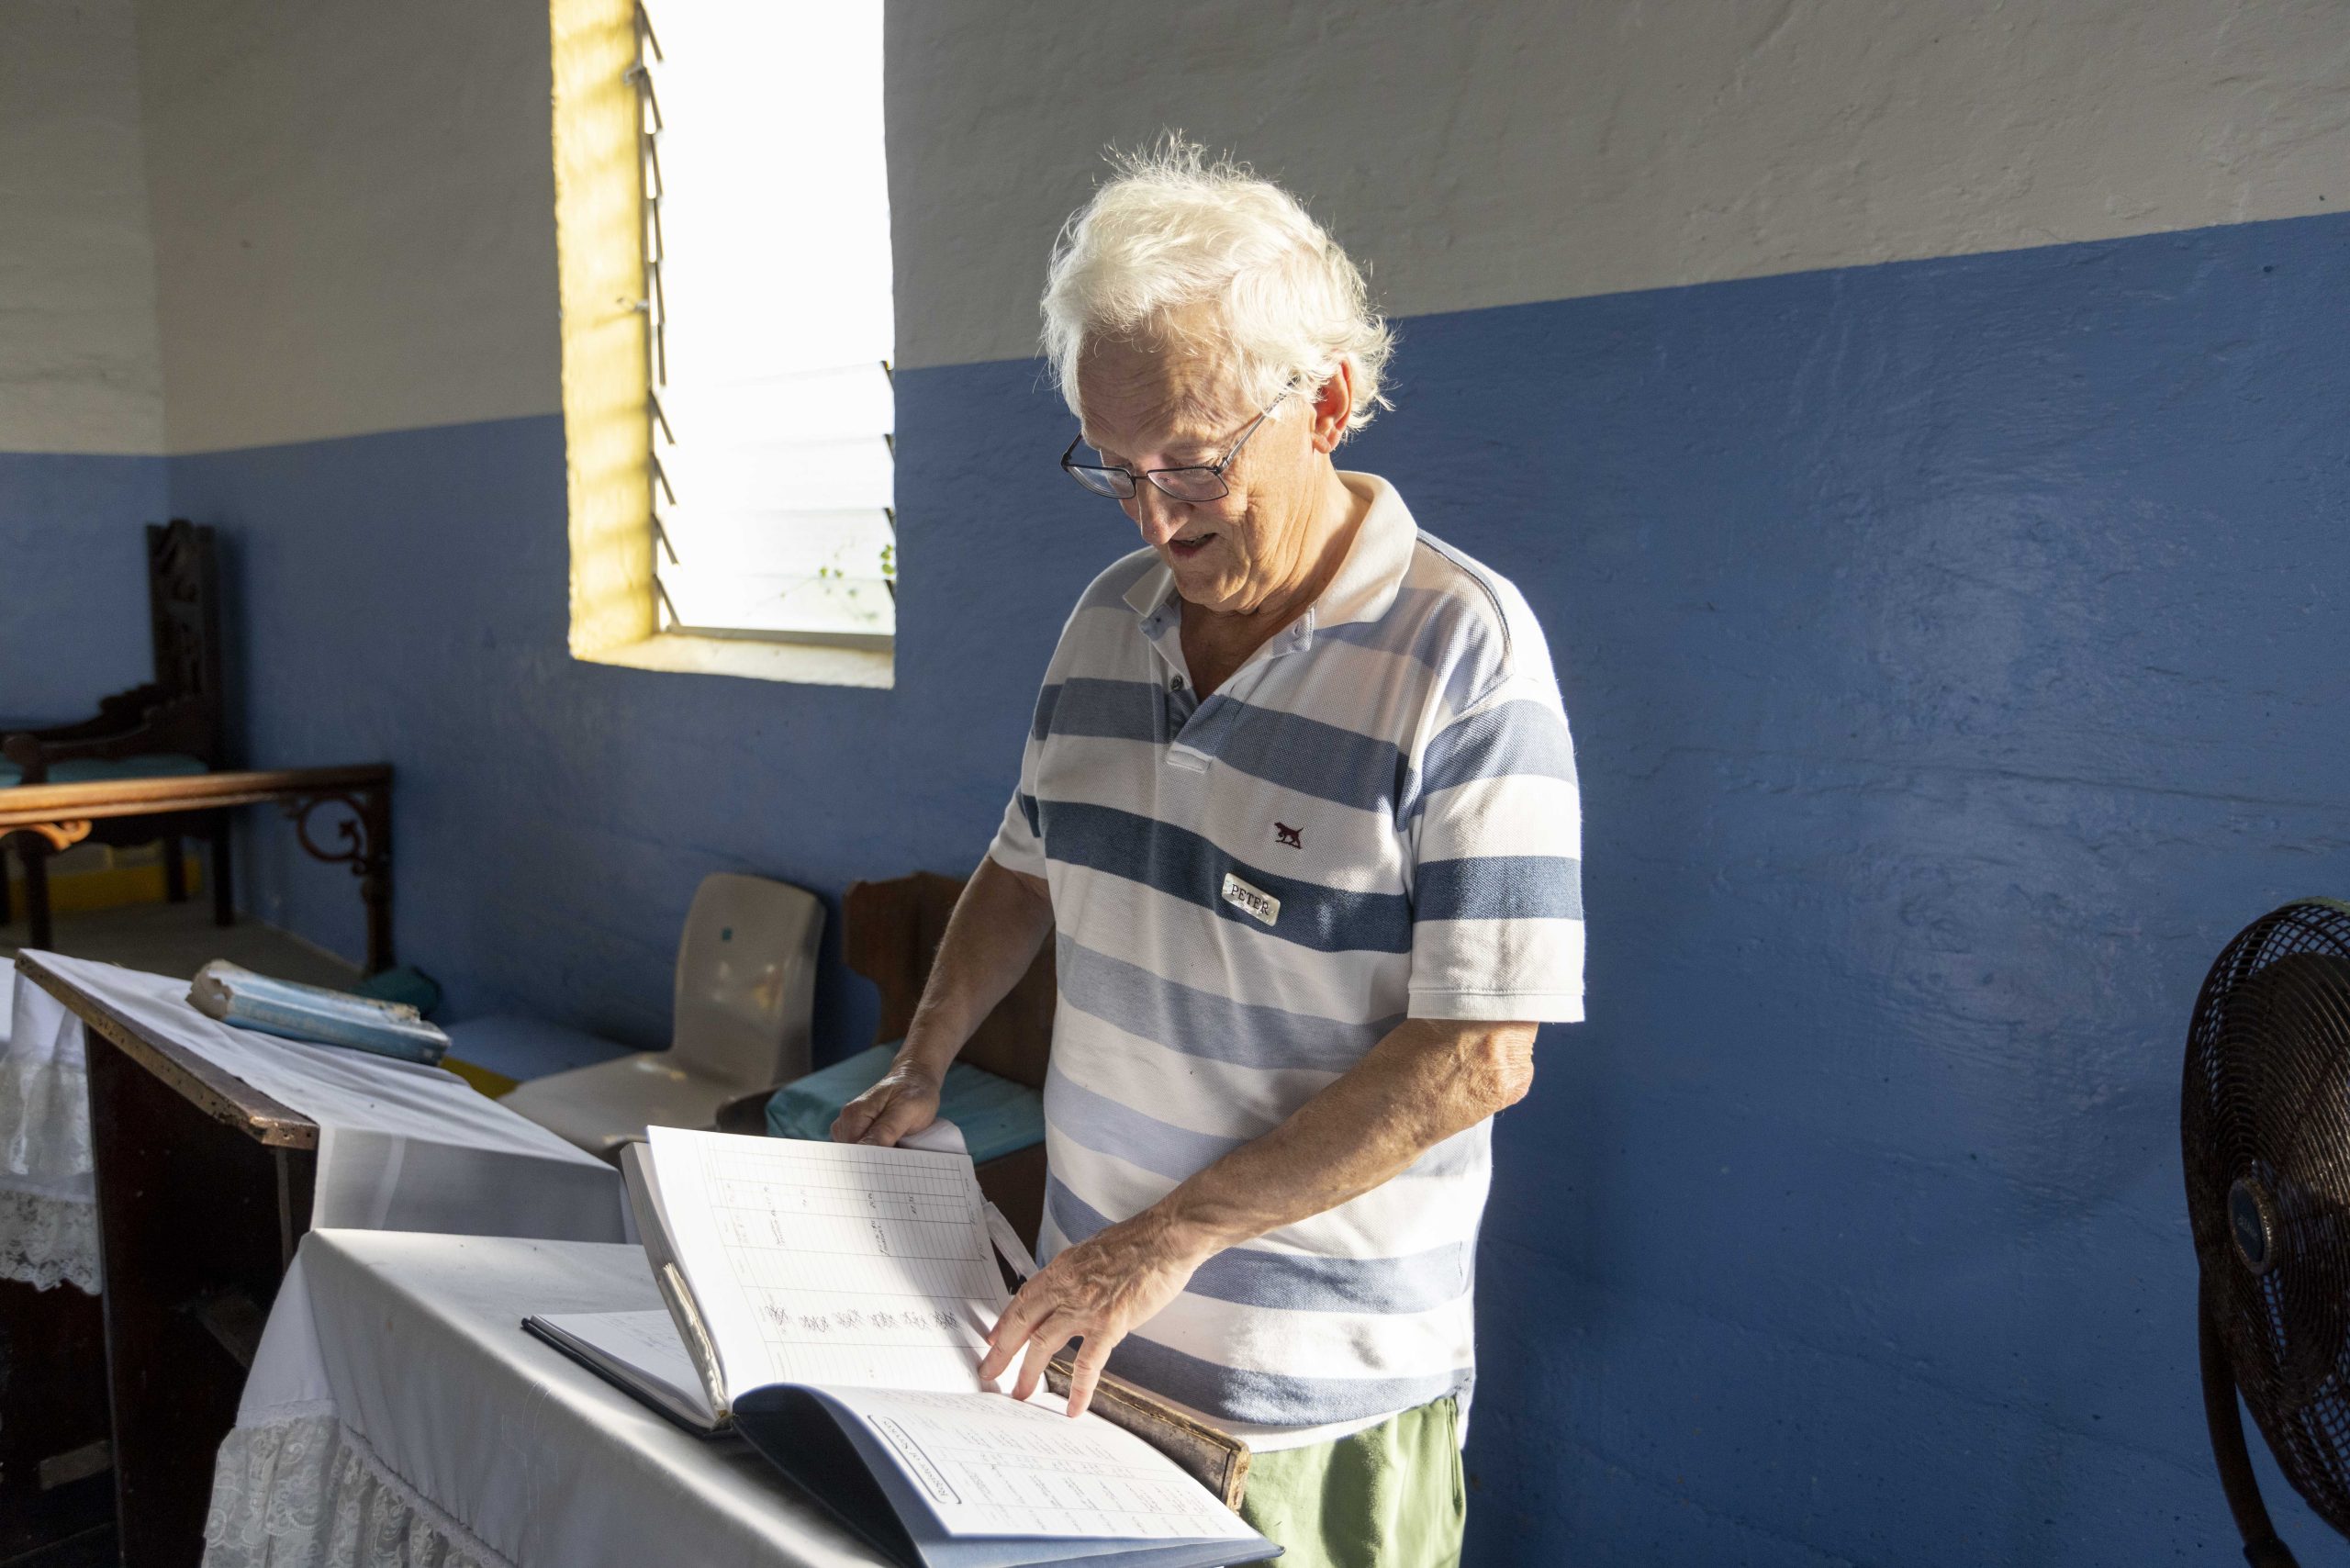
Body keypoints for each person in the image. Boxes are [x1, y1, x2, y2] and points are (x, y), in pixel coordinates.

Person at [834, 140, 1583, 1568]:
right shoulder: (1109, 619)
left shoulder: (1461, 654)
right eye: (1112, 468)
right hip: (1080, 1338)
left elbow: (1484, 1054)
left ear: (1329, 403)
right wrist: (925, 1058)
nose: (1155, 516)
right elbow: (1023, 867)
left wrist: (1165, 1239)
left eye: (1191, 462)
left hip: (1302, 1401)